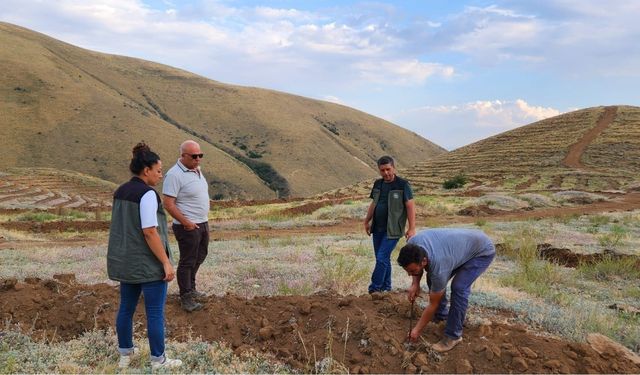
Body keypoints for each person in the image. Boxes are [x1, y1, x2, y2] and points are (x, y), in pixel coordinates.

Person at [107, 142, 182, 370]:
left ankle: (125, 355)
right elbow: (149, 231)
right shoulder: (148, 194)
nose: (160, 175)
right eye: (158, 171)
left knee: (126, 309)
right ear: (146, 170)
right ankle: (158, 360)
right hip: (147, 264)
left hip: (125, 262)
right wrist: (166, 262)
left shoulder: (120, 191)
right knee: (155, 313)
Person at [397, 228, 496, 352]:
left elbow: (433, 303)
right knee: (433, 281)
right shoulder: (412, 244)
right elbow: (418, 270)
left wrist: (416, 330)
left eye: (412, 271)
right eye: (408, 271)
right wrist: (415, 284)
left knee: (459, 287)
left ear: (424, 261)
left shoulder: (439, 267)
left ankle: (453, 336)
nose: (409, 274)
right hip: (460, 248)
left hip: (481, 251)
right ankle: (441, 317)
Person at [162, 140, 210, 312]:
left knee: (201, 255)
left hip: (202, 222)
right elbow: (168, 204)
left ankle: (192, 288)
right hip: (188, 226)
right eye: (194, 156)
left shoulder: (197, 170)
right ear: (183, 156)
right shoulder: (174, 175)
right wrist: (186, 222)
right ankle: (186, 296)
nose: (198, 159)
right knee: (187, 260)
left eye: (200, 155)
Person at [363, 155, 416, 294]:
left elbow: (410, 206)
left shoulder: (403, 184)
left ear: (394, 168)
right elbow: (374, 203)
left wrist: (412, 228)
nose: (386, 173)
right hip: (377, 228)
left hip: (393, 229)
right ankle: (386, 288)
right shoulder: (378, 184)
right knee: (383, 259)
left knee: (381, 258)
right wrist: (366, 221)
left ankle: (374, 289)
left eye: (388, 169)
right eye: (382, 170)